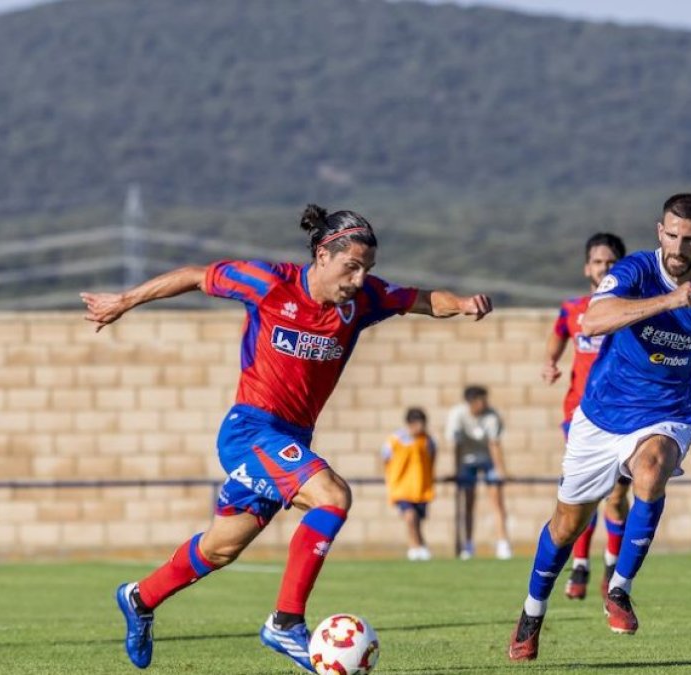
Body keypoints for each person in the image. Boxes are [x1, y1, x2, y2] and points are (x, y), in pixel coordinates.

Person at [82, 204, 490, 672]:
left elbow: (422, 299)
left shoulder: (364, 299)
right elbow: (196, 276)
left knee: (220, 548)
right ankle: (286, 622)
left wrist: (461, 304)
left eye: (367, 268)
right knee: (333, 496)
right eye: (351, 267)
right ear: (322, 255)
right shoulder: (269, 283)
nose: (359, 279)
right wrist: (124, 300)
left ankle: (140, 597)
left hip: (291, 439)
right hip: (250, 430)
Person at [508, 193, 691, 661]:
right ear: (660, 231)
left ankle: (619, 588)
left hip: (667, 411)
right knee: (566, 526)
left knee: (653, 469)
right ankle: (532, 613)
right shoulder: (636, 270)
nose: (679, 247)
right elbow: (594, 320)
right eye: (672, 236)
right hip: (602, 415)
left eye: (690, 239)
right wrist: (668, 300)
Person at [540, 232, 630, 601]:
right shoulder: (573, 309)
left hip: (623, 415)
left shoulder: (632, 309)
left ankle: (611, 563)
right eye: (597, 262)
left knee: (617, 495)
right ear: (586, 268)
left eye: (611, 262)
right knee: (583, 491)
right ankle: (580, 565)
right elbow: (558, 334)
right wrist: (550, 361)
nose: (603, 268)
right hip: (578, 412)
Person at [445, 385, 511, 560]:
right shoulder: (457, 415)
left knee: (497, 501)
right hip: (467, 461)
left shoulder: (492, 415)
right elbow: (457, 445)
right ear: (471, 402)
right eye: (482, 400)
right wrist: (457, 470)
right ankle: (468, 545)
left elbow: (494, 444)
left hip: (488, 460)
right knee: (468, 503)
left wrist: (501, 470)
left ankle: (503, 544)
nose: (485, 403)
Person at [381, 407, 437, 561]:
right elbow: (385, 459)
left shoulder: (428, 441)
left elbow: (432, 460)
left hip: (420, 488)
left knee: (417, 520)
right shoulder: (395, 440)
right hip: (401, 487)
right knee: (410, 517)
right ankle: (414, 547)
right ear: (410, 424)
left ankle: (421, 546)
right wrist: (390, 479)